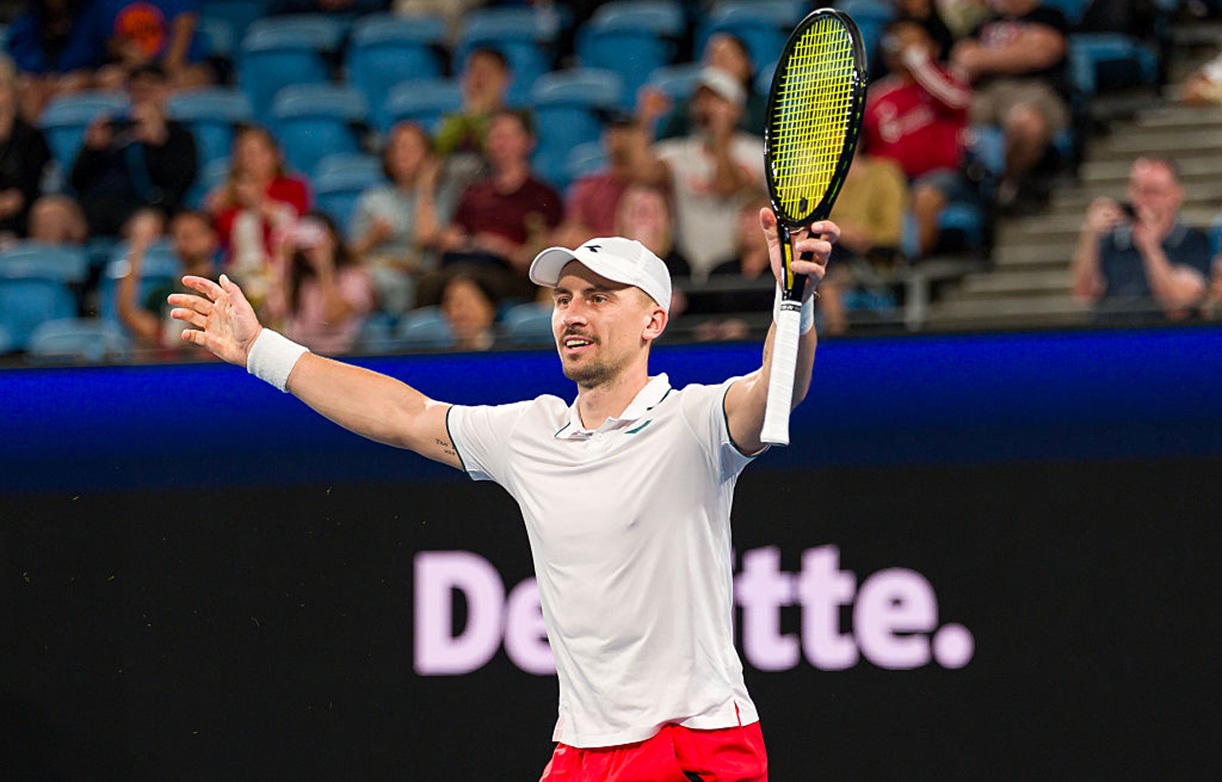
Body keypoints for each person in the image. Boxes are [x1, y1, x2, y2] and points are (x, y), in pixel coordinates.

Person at [168, 208, 842, 782]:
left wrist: (793, 302)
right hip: (583, 749)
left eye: (598, 298)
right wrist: (262, 348)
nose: (573, 315)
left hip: (694, 742)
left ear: (653, 320)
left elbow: (773, 394)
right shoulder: (529, 432)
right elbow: (403, 415)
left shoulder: (694, 421)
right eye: (563, 299)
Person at [634, 66, 766, 283]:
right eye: (701, 100)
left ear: (736, 109)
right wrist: (646, 120)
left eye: (717, 100)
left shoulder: (755, 153)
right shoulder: (681, 151)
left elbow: (726, 186)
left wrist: (721, 136)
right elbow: (643, 176)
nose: (707, 107)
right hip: (688, 269)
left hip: (734, 272)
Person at [866, 20, 974, 256]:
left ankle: (913, 272)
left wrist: (920, 64)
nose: (905, 48)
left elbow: (959, 103)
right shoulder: (877, 95)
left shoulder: (948, 77)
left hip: (945, 177)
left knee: (925, 197)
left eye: (914, 42)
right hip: (896, 179)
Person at [950, 0, 1071, 208]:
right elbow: (963, 60)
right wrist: (1018, 51)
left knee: (1028, 124)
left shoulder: (1048, 16)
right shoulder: (983, 22)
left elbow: (1043, 54)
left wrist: (985, 57)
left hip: (1033, 90)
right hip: (984, 92)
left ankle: (1009, 184)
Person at [438, 109, 563, 300]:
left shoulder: (544, 195)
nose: (500, 143)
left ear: (528, 142)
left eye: (507, 136)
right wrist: (468, 243)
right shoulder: (473, 193)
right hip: (468, 264)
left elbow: (541, 255)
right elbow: (451, 237)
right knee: (433, 282)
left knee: (468, 281)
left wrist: (502, 249)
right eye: (495, 137)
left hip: (511, 276)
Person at [1070, 157, 1212, 326]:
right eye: (1138, 189)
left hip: (1166, 339)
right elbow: (1083, 293)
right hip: (1115, 336)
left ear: (1175, 195)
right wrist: (1090, 235)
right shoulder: (1113, 240)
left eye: (1154, 192)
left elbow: (1179, 305)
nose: (1144, 200)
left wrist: (1151, 249)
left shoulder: (1193, 241)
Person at [63, 61, 198, 237]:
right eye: (137, 90)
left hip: (143, 209)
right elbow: (75, 181)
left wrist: (159, 144)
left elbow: (178, 186)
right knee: (51, 212)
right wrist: (91, 150)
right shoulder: (112, 127)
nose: (143, 97)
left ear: (167, 91)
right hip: (96, 207)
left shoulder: (179, 135)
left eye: (150, 90)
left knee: (145, 224)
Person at [349, 121, 452, 316]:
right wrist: (373, 238)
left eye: (411, 147)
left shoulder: (441, 197)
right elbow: (350, 255)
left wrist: (425, 189)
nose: (402, 154)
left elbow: (427, 237)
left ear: (429, 156)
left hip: (418, 280)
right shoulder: (373, 198)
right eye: (396, 147)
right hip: (375, 273)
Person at [205, 124, 311, 305]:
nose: (249, 159)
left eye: (256, 152)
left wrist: (258, 203)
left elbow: (294, 225)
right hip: (235, 273)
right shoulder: (226, 198)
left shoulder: (293, 187)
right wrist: (210, 211)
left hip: (279, 273)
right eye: (243, 153)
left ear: (275, 155)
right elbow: (214, 240)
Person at [263, 212, 375, 355]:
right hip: (297, 358)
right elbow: (273, 315)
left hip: (337, 358)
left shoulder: (355, 277)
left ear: (333, 239)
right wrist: (285, 261)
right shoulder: (299, 280)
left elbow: (333, 317)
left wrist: (324, 267)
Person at [116, 207, 218, 351]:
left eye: (195, 233)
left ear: (212, 238)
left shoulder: (227, 288)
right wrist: (138, 245)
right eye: (180, 234)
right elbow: (130, 316)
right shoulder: (162, 295)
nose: (187, 239)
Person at [641, 32, 767, 140]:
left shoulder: (762, 108)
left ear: (749, 66)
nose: (717, 65)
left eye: (723, 58)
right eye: (711, 57)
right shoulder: (686, 107)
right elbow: (665, 143)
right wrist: (647, 119)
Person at [552, 115, 648, 249]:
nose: (620, 142)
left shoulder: (654, 185)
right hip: (600, 260)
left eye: (626, 135)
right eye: (613, 135)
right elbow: (571, 234)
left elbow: (650, 239)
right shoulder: (589, 187)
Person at [6, 0, 103, 121]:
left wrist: (88, 79)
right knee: (26, 89)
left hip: (81, 82)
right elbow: (21, 62)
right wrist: (43, 82)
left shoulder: (92, 16)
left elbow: (96, 59)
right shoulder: (26, 22)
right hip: (37, 84)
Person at [90, 0, 214, 91]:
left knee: (191, 81)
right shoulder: (106, 4)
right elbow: (114, 45)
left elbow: (182, 31)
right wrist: (134, 61)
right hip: (133, 68)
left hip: (181, 66)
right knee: (108, 79)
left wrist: (159, 75)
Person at [0, 56, 53, 241]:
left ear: (13, 91)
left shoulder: (31, 138)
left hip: (23, 222)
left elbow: (23, 195)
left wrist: (10, 202)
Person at [437, 265, 502, 352]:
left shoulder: (512, 354)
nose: (460, 313)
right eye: (454, 303)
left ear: (491, 308)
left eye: (469, 303)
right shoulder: (437, 358)